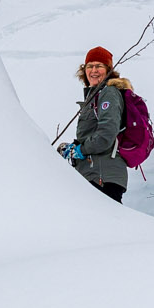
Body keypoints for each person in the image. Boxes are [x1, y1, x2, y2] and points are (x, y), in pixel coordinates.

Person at [66, 47, 129, 202]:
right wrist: (75, 147)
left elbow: (106, 135)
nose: (93, 70)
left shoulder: (108, 93)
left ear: (108, 70)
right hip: (94, 173)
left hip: (102, 176)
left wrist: (80, 150)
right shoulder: (95, 95)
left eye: (99, 66)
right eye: (90, 66)